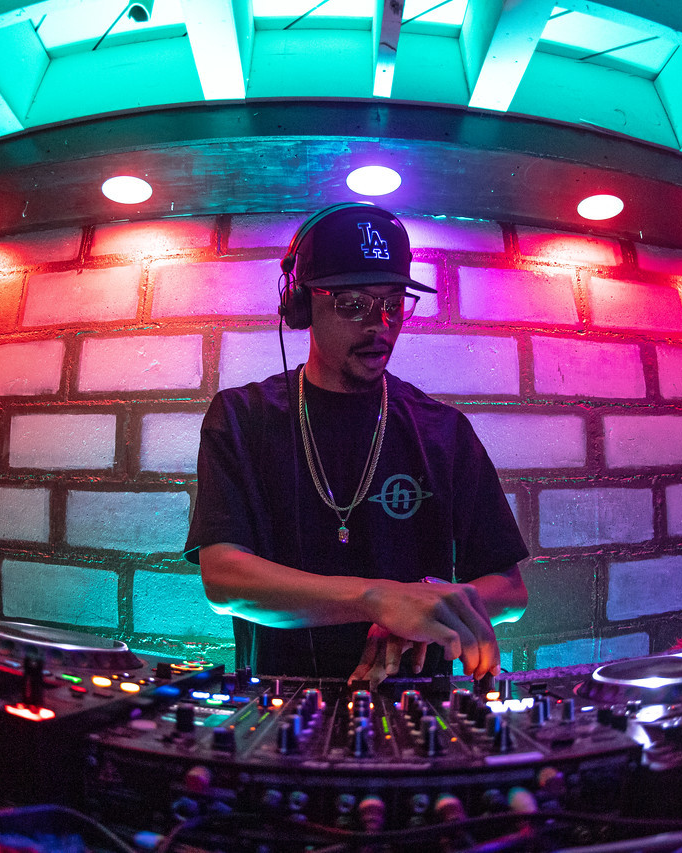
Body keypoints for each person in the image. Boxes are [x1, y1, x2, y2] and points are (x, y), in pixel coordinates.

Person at [184, 203, 528, 684]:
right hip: (281, 699)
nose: (380, 325)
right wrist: (379, 599)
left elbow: (510, 590)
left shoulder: (445, 429)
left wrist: (431, 606)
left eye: (394, 304)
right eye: (353, 304)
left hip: (418, 699)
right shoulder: (242, 417)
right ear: (301, 304)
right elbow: (224, 579)